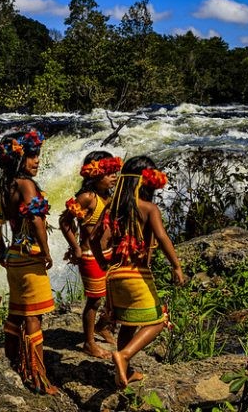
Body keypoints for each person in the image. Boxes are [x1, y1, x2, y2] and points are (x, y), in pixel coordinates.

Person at [90, 155, 185, 389]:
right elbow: (161, 238)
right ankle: (123, 355)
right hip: (135, 275)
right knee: (159, 321)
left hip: (114, 276)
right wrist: (176, 266)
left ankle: (125, 370)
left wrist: (103, 262)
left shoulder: (112, 207)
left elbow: (93, 239)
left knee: (128, 323)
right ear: (146, 181)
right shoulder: (149, 208)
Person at [0, 129, 59, 395]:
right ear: (18, 159)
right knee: (34, 317)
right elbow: (37, 218)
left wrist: (1, 250)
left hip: (14, 255)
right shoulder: (26, 184)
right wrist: (46, 251)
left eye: (37, 155)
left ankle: (12, 360)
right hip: (29, 256)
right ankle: (37, 375)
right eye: (31, 156)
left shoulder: (7, 186)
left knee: (16, 313)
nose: (37, 160)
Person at [59, 151, 122, 359]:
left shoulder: (110, 196)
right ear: (94, 175)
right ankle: (89, 343)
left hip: (109, 253)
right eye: (108, 173)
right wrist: (75, 248)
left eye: (115, 172)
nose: (114, 176)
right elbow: (64, 222)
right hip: (90, 255)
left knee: (115, 293)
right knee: (94, 300)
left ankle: (102, 326)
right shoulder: (87, 198)